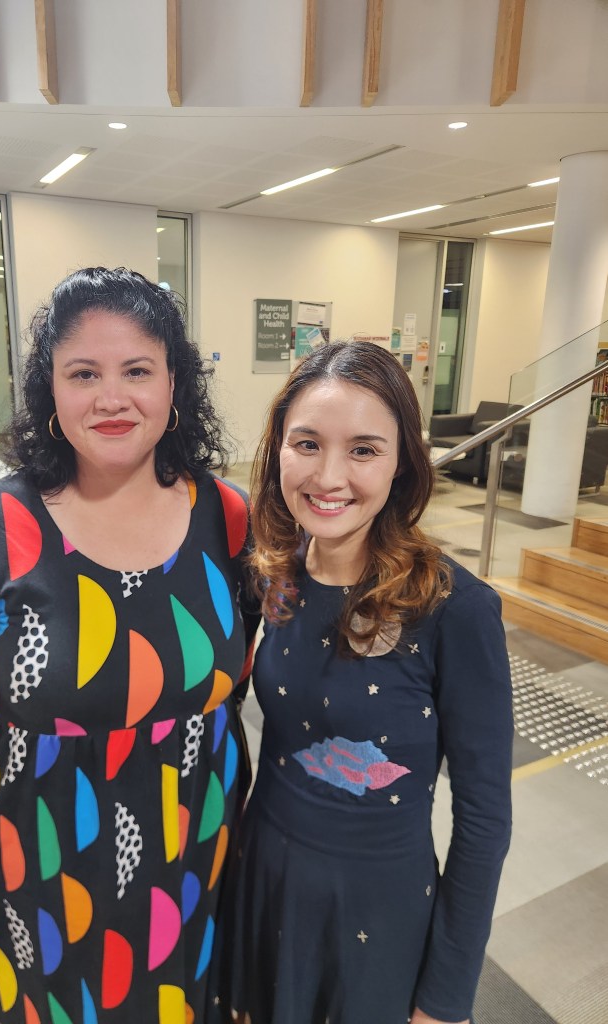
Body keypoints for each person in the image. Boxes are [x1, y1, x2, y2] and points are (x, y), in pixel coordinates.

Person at [0, 267, 259, 1023]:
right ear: (50, 391)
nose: (112, 397)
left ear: (173, 385)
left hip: (196, 864)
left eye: (137, 371)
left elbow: (243, 676)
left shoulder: (227, 520)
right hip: (32, 882)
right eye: (83, 373)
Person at [212, 340, 513, 1024]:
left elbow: (485, 821)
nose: (329, 476)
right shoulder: (271, 572)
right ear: (278, 449)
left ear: (403, 459)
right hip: (262, 879)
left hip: (377, 908)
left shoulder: (455, 610)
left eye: (364, 450)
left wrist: (446, 997)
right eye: (307, 443)